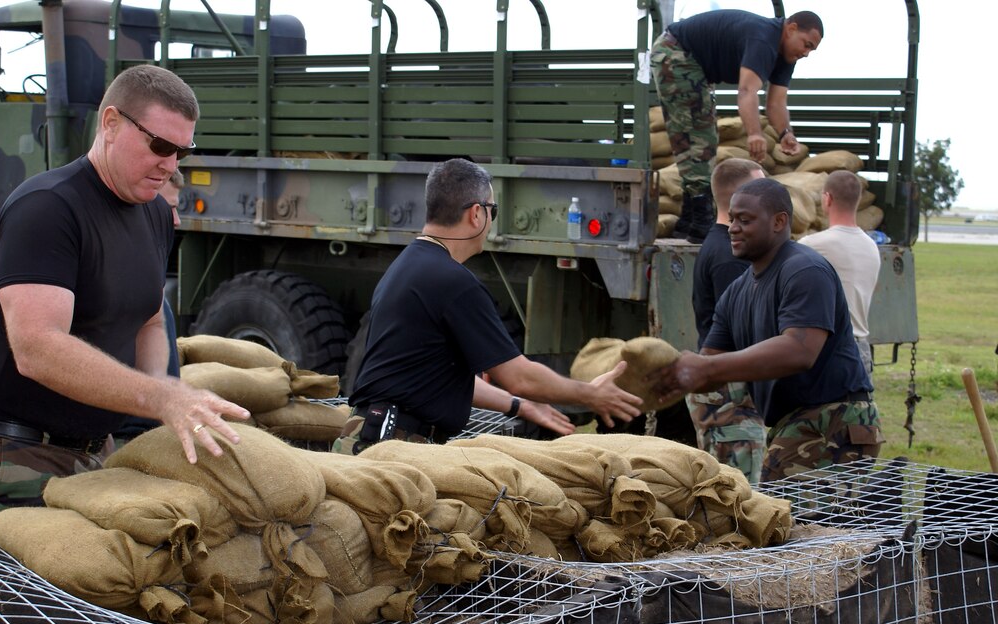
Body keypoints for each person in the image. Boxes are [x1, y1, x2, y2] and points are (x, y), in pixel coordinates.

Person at [0, 65, 249, 534]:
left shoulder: (152, 214)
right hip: (9, 453)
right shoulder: (47, 208)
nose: (171, 164)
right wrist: (159, 395)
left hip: (91, 450)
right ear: (111, 124)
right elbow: (37, 348)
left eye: (182, 151)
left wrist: (159, 397)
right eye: (160, 146)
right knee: (22, 605)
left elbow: (148, 319)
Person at [334, 158, 643, 455]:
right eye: (493, 210)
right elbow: (519, 377)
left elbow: (437, 378)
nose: (492, 219)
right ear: (476, 214)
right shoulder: (453, 282)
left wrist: (518, 404)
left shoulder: (410, 265)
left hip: (374, 439)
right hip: (390, 450)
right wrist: (590, 393)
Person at [653, 178, 883, 481]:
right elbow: (711, 362)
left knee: (779, 514)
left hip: (834, 418)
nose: (733, 227)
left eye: (745, 220)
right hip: (794, 422)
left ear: (779, 221)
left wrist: (705, 368)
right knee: (766, 508)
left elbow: (799, 350)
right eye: (732, 219)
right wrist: (663, 377)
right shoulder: (737, 292)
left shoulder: (804, 270)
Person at [651, 9, 823, 243]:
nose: (806, 53)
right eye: (806, 44)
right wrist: (754, 134)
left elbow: (776, 103)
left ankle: (689, 220)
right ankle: (700, 220)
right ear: (791, 28)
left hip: (692, 63)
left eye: (812, 49)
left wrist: (785, 133)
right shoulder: (763, 38)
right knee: (699, 136)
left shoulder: (786, 57)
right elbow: (746, 91)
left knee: (701, 136)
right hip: (676, 51)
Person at [686, 158, 768, 483]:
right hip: (729, 392)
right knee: (737, 491)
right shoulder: (730, 258)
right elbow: (741, 332)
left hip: (726, 384)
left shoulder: (723, 245)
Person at [114, 170, 186, 443]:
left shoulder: (145, 281)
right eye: (170, 209)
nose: (177, 220)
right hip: (127, 435)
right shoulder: (118, 283)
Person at [798, 170, 881, 372]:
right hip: (861, 347)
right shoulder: (871, 247)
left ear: (827, 199)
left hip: (830, 348)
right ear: (858, 200)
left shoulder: (811, 244)